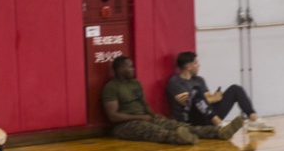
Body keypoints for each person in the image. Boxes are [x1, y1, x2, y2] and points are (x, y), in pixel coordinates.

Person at [102, 55, 245, 145]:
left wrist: (153, 115)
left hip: (145, 117)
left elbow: (144, 103)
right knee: (155, 131)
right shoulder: (111, 87)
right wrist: (142, 117)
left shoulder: (135, 83)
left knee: (178, 126)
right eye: (129, 67)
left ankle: (219, 133)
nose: (133, 69)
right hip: (125, 125)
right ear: (120, 69)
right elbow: (113, 116)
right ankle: (180, 138)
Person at [167, 51, 274, 132]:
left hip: (208, 115)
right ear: (188, 66)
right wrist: (211, 98)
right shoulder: (175, 82)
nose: (198, 65)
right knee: (196, 91)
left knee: (235, 89)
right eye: (196, 63)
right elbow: (188, 103)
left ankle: (254, 120)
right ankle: (219, 124)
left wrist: (210, 98)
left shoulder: (199, 79)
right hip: (192, 119)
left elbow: (206, 99)